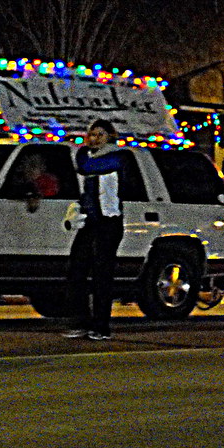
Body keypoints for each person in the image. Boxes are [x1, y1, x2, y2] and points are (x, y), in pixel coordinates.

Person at [64, 120, 126, 341]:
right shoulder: (88, 155)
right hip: (90, 222)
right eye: (92, 135)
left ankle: (101, 326)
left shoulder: (118, 157)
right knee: (76, 270)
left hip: (109, 222)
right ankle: (80, 322)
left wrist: (81, 153)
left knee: (102, 274)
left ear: (110, 136)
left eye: (100, 135)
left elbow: (86, 167)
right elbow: (83, 168)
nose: (95, 139)